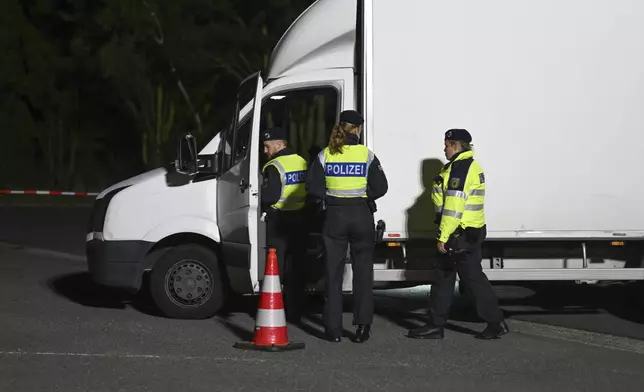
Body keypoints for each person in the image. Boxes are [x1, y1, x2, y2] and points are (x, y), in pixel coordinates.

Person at [406, 129, 509, 340]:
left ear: (455, 145)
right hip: (467, 232)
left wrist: (444, 236)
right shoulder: (463, 166)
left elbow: (453, 207)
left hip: (458, 234)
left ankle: (494, 322)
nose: (444, 148)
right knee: (449, 278)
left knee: (469, 280)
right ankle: (438, 325)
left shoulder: (460, 169)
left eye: (446, 144)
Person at [306, 110, 388, 343]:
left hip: (334, 216)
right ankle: (363, 327)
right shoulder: (366, 155)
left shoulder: (326, 154)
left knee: (333, 274)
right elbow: (381, 186)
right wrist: (365, 195)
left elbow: (312, 187)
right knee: (363, 273)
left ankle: (333, 330)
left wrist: (329, 197)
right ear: (358, 129)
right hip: (361, 215)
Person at [261, 126, 309, 321]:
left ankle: (274, 308)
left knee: (276, 269)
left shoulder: (273, 166)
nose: (265, 151)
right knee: (297, 267)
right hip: (301, 219)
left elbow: (270, 196)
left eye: (267, 146)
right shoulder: (302, 161)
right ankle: (296, 310)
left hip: (279, 222)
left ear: (280, 144)